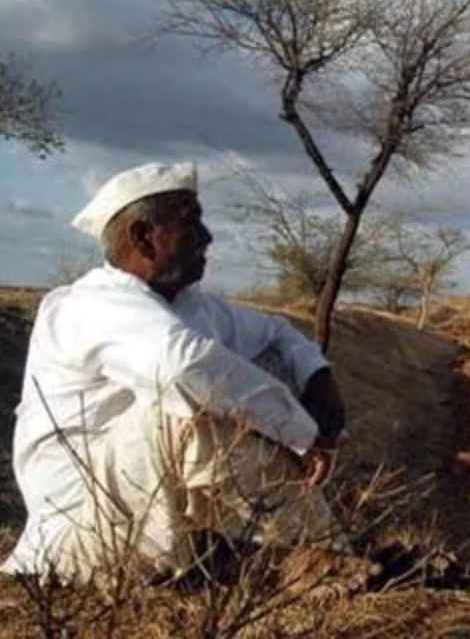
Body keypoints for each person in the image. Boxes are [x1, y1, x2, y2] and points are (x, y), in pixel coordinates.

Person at [2, 161, 357, 585]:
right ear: (142, 237)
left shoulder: (189, 305)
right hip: (83, 528)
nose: (207, 238)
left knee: (264, 366)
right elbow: (184, 368)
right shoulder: (86, 305)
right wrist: (304, 435)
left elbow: (276, 332)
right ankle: (319, 558)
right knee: (186, 406)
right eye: (191, 223)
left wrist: (319, 376)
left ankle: (312, 554)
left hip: (149, 511)